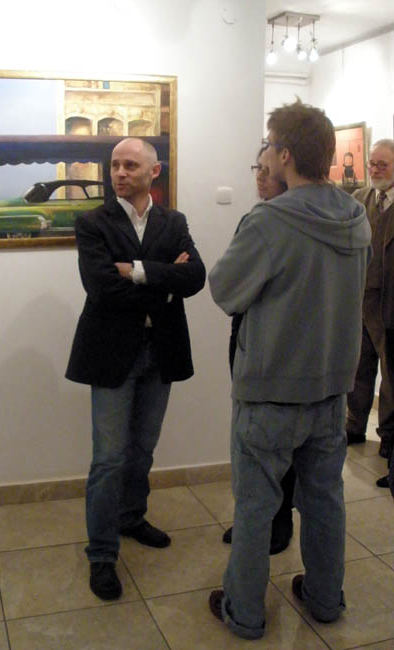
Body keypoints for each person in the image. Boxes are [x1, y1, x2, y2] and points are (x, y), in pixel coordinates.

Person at [208, 100, 371, 640]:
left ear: (284, 155)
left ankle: (245, 612)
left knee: (256, 508)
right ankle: (325, 599)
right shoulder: (357, 217)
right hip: (332, 389)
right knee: (324, 501)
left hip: (271, 391)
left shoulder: (269, 220)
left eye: (270, 146)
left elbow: (225, 290)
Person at [66, 137, 205, 601]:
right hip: (111, 352)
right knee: (108, 458)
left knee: (143, 449)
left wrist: (139, 271)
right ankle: (102, 553)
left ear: (154, 171)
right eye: (115, 165)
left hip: (160, 350)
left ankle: (131, 517)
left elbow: (196, 277)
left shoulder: (173, 221)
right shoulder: (93, 222)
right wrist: (165, 278)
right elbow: (101, 287)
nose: (120, 173)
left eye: (130, 165)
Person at [222, 147, 296, 555]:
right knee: (247, 436)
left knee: (278, 444)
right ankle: (252, 520)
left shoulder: (291, 223)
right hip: (246, 335)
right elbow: (231, 290)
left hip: (279, 345)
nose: (260, 176)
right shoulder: (254, 219)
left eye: (267, 169)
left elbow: (236, 285)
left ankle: (278, 522)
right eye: (257, 168)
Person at [346, 139, 394, 465]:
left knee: (390, 374)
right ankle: (354, 425)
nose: (375, 170)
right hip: (360, 298)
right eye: (372, 164)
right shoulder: (360, 199)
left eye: (382, 165)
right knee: (358, 366)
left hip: (389, 303)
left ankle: (388, 436)